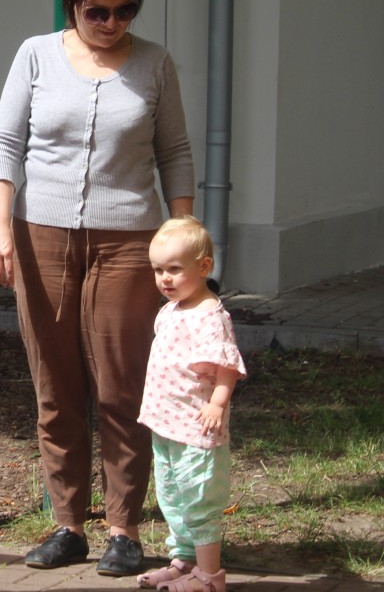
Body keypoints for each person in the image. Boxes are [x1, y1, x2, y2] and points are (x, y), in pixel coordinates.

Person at [0, 0, 194, 576]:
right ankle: (67, 524)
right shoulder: (36, 55)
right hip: (41, 236)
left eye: (125, 11)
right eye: (97, 11)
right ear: (74, 2)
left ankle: (124, 529)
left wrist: (180, 230)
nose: (111, 23)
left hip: (129, 240)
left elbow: (175, 152)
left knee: (122, 384)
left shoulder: (154, 64)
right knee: (56, 384)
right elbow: (5, 143)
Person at [136, 217, 245, 592]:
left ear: (203, 267)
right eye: (158, 270)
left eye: (174, 269)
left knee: (199, 497)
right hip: (167, 423)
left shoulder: (210, 317)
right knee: (172, 495)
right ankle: (184, 561)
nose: (164, 279)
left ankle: (210, 576)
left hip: (197, 428)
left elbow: (226, 366)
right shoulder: (172, 309)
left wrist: (217, 403)